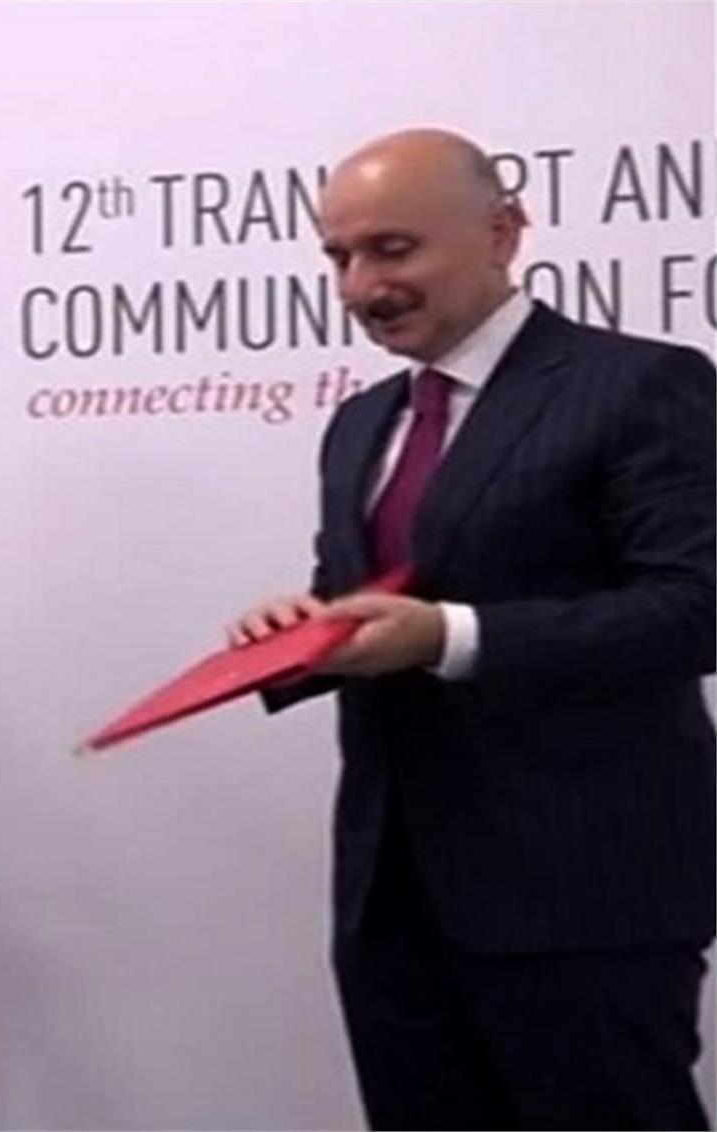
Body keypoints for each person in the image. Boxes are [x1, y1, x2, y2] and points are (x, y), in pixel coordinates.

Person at [227, 128, 714, 1130]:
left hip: (583, 893)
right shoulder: (359, 423)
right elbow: (363, 601)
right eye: (338, 257)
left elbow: (696, 609)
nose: (360, 287)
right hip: (392, 896)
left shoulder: (640, 385)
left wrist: (449, 637)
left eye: (391, 249)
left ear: (502, 232)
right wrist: (299, 633)